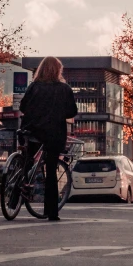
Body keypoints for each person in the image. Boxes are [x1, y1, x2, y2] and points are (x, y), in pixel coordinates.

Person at [19, 56, 78, 221]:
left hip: (33, 131)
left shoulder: (34, 87)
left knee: (27, 159)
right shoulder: (64, 89)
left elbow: (23, 106)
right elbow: (72, 111)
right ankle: (51, 212)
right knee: (51, 171)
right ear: (58, 70)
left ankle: (17, 193)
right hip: (54, 133)